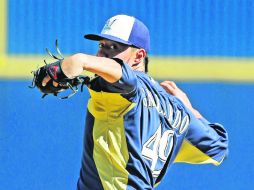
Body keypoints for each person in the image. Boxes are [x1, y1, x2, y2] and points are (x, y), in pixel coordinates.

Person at [42, 14, 228, 190]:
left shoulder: (122, 88)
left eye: (113, 48)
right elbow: (218, 146)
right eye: (101, 45)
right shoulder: (177, 110)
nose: (101, 55)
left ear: (139, 56)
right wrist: (189, 109)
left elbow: (123, 76)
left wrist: (79, 60)